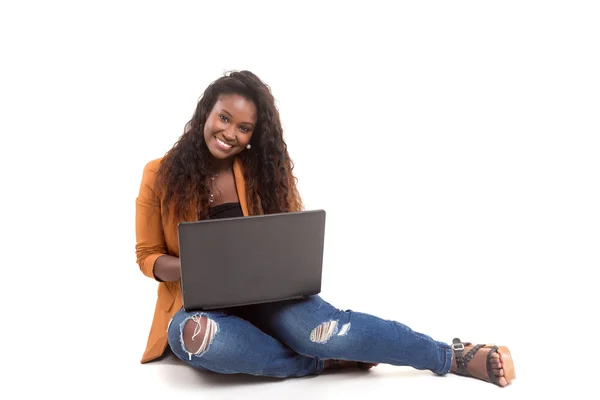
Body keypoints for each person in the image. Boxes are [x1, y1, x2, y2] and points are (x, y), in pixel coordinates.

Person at [135, 70, 516, 387]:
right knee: (192, 340)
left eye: (244, 127)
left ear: (254, 135)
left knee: (325, 330)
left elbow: (287, 238)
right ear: (206, 112)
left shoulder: (261, 173)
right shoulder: (158, 173)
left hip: (268, 295)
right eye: (224, 118)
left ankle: (450, 356)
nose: (230, 133)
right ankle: (321, 363)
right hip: (202, 305)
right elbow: (147, 256)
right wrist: (195, 267)